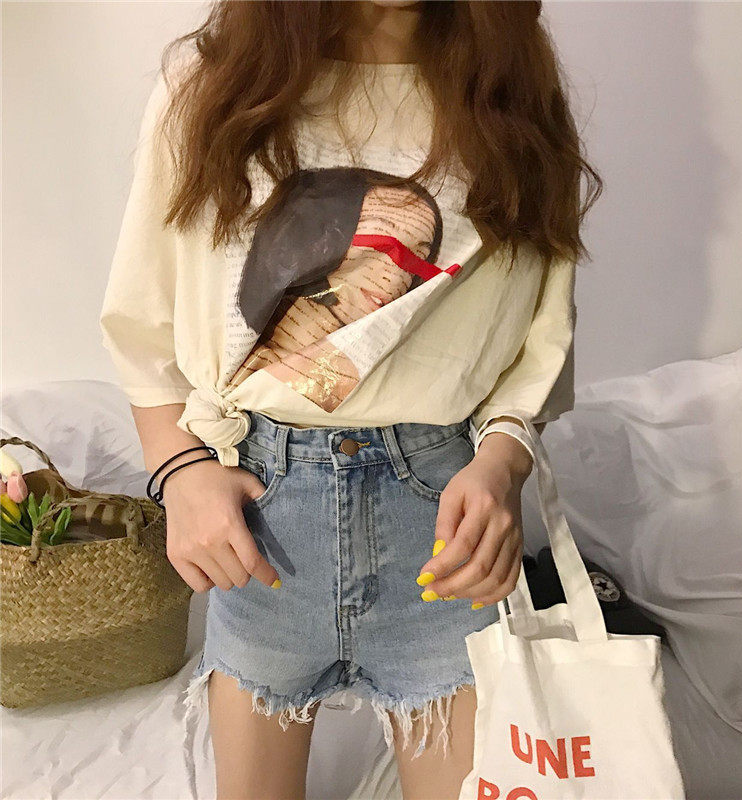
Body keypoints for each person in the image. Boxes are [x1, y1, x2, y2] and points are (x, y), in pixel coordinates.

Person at [98, 1, 602, 797]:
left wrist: (501, 467)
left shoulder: (508, 90)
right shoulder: (214, 85)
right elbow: (143, 318)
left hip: (439, 529)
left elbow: (540, 336)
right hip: (264, 518)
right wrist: (181, 472)